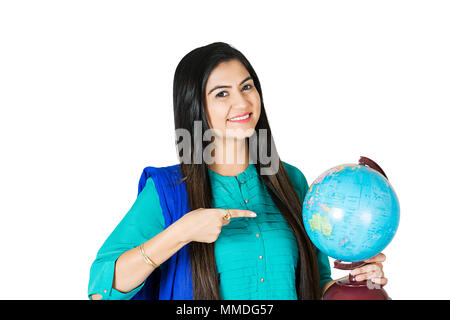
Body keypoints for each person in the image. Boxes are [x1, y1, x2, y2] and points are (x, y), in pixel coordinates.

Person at [88, 42, 387, 300]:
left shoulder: (291, 181)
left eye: (247, 86)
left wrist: (356, 283)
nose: (242, 102)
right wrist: (182, 232)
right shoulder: (168, 190)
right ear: (196, 107)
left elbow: (317, 284)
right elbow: (101, 287)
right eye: (221, 94)